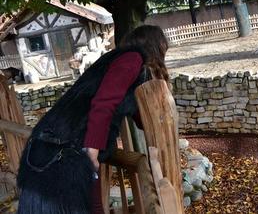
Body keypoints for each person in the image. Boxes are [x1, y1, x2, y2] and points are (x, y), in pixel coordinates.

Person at [17, 25, 169, 214]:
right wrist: (92, 149)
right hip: (66, 150)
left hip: (51, 143)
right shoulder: (132, 59)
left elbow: (136, 113)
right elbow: (104, 102)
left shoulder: (119, 61)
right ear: (156, 47)